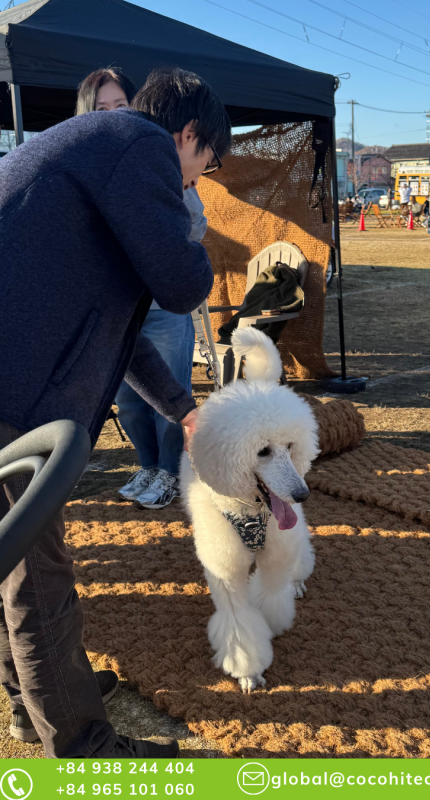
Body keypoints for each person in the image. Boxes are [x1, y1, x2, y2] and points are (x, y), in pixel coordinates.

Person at [0, 67, 232, 759]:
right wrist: (192, 227)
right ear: (187, 136)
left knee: (18, 551)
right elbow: (182, 282)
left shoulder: (97, 150)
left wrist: (183, 410)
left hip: (15, 381)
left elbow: (121, 331)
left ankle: (30, 701)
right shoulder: (138, 143)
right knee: (39, 572)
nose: (194, 183)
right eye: (203, 168)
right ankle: (80, 744)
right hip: (12, 388)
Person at [74, 67, 208, 510]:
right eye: (101, 109)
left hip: (161, 306)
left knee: (170, 393)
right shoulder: (89, 170)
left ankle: (172, 472)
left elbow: (193, 229)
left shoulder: (162, 166)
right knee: (128, 397)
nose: (113, 117)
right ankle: (148, 464)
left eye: (122, 106)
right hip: (116, 307)